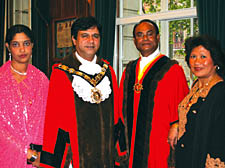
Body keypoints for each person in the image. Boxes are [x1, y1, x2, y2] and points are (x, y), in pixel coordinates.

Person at [40, 16, 126, 168]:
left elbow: (117, 115)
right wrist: (55, 161)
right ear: (74, 40)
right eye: (84, 36)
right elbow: (54, 121)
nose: (91, 41)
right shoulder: (61, 73)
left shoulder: (108, 71)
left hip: (106, 155)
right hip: (76, 157)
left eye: (95, 36)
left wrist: (119, 152)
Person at [119, 19, 189, 168]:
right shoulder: (129, 70)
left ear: (158, 37)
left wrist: (176, 125)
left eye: (149, 34)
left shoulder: (172, 69)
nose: (145, 39)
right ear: (134, 40)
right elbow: (120, 106)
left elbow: (183, 106)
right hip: (132, 141)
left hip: (159, 142)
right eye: (140, 35)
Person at [0, 24, 49, 167]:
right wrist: (25, 152)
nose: (22, 49)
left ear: (32, 45)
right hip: (6, 157)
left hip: (39, 158)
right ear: (8, 47)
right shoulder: (1, 79)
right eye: (16, 44)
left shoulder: (42, 80)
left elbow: (50, 120)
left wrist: (41, 156)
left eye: (26, 44)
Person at [175, 35, 225, 168]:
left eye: (203, 57)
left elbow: (220, 140)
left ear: (215, 61)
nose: (197, 62)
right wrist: (176, 126)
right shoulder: (196, 87)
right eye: (193, 57)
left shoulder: (220, 93)